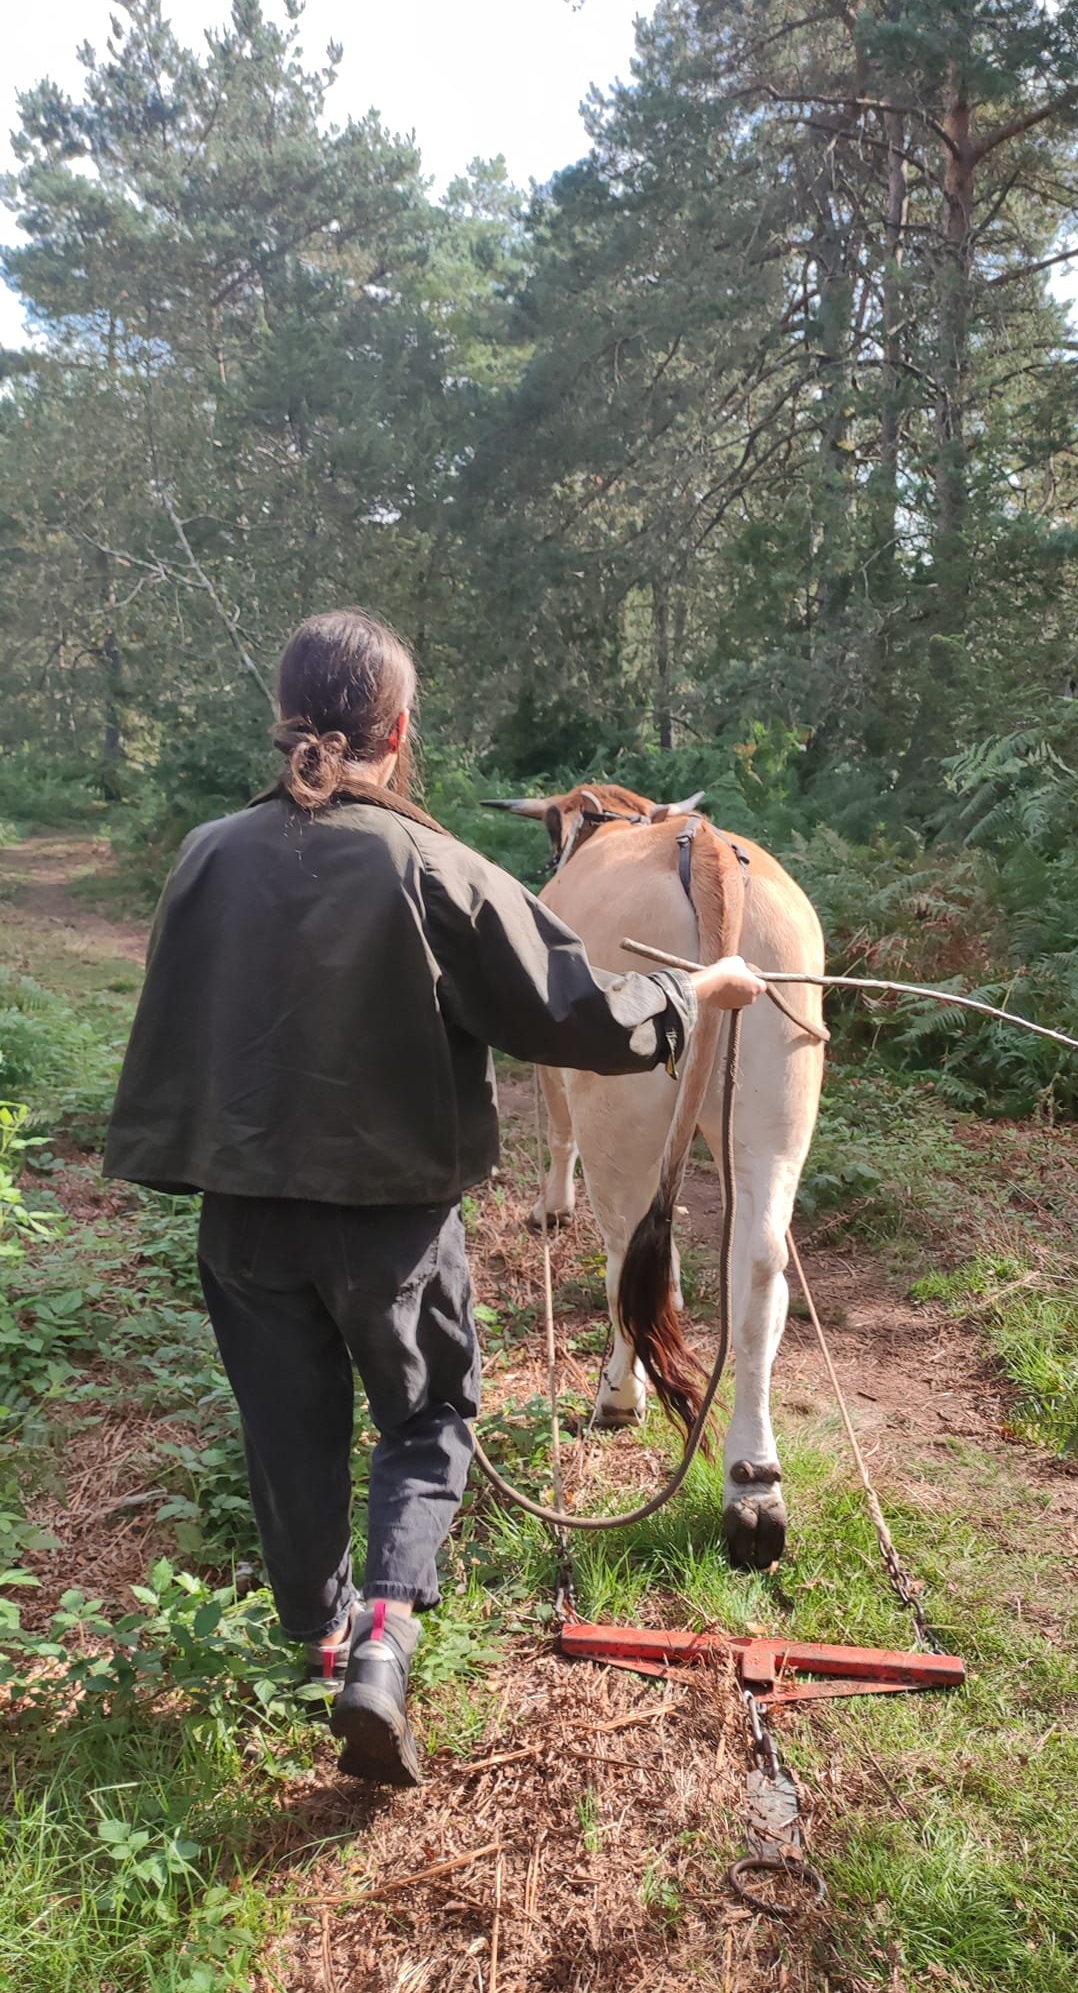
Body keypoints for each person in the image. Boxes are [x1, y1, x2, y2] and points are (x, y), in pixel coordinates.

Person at [103, 608, 768, 1785]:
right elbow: (569, 1009)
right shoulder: (434, 866)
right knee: (426, 1420)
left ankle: (315, 1634)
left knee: (286, 1426)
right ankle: (386, 1641)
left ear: (284, 719)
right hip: (393, 1223)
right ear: (399, 730)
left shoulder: (207, 853)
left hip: (243, 1221)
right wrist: (692, 999)